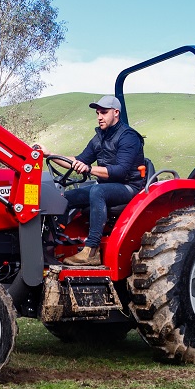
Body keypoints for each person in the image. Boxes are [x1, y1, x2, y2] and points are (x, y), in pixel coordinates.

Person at [58, 95, 145, 265]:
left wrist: (90, 169)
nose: (99, 117)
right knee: (67, 197)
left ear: (116, 113)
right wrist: (48, 154)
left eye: (104, 113)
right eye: (97, 113)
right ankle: (58, 241)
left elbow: (120, 172)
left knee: (98, 191)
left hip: (129, 188)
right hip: (108, 187)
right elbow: (78, 160)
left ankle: (92, 251)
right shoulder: (99, 138)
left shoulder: (128, 137)